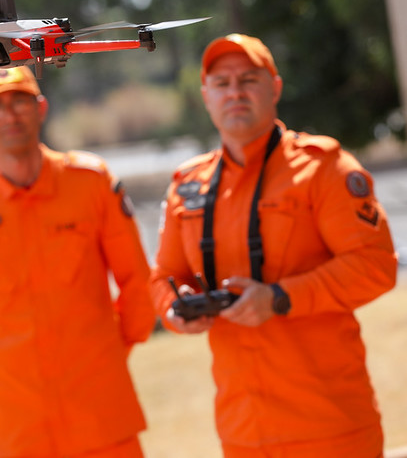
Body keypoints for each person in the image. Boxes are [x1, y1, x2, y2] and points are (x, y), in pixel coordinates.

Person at [150, 34, 397, 457]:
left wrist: (281, 298)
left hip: (332, 429)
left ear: (275, 88)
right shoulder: (187, 186)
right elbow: (164, 278)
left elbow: (375, 266)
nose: (236, 92)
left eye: (248, 79)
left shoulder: (324, 169)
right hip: (243, 434)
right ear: (205, 95)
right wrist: (176, 311)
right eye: (222, 83)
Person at [0, 66, 157, 458]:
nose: (10, 115)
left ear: (41, 108)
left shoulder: (90, 181)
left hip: (100, 407)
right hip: (22, 421)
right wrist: (22, 363)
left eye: (20, 101)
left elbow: (138, 282)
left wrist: (105, 352)